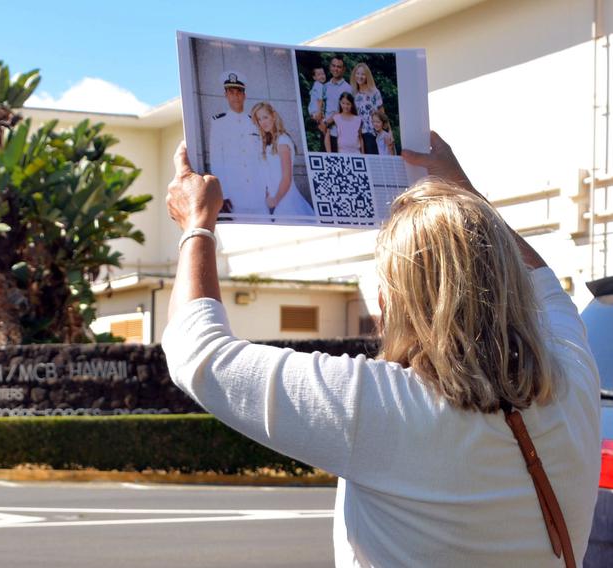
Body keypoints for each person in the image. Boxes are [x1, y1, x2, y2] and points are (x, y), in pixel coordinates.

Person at [163, 133, 600, 567]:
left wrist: (197, 224)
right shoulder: (574, 380)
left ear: (390, 303)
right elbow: (544, 282)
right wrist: (463, 195)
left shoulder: (377, 406)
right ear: (509, 282)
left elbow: (197, 350)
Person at [208, 71, 262, 218]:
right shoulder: (218, 122)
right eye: (231, 92)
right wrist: (222, 194)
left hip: (258, 192)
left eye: (239, 92)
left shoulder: (256, 122)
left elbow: (262, 158)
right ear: (226, 95)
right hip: (233, 196)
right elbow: (216, 161)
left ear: (244, 95)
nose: (235, 96)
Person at [250, 102, 315, 219]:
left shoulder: (282, 141)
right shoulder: (269, 143)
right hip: (277, 201)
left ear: (273, 116)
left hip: (287, 201)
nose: (263, 122)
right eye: (259, 119)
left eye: (265, 117)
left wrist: (276, 200)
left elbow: (287, 177)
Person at [350, 63, 385, 154]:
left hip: (373, 133)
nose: (360, 76)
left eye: (363, 74)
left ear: (367, 76)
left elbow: (382, 114)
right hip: (358, 135)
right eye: (358, 73)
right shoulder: (353, 94)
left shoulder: (374, 92)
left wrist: (389, 133)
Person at [320, 56, 352, 153]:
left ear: (343, 69)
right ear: (330, 67)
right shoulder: (325, 86)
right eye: (333, 66)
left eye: (339, 67)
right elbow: (321, 107)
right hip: (325, 131)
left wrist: (327, 122)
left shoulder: (348, 88)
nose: (336, 69)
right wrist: (322, 123)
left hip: (339, 133)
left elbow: (344, 110)